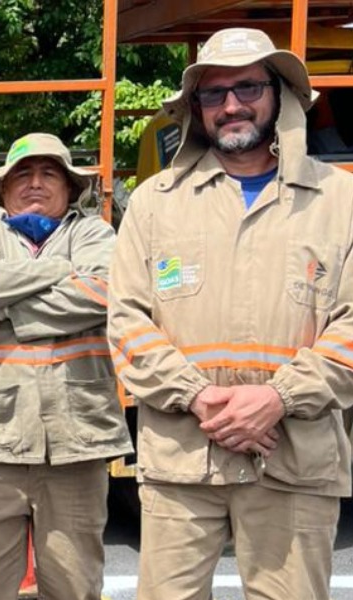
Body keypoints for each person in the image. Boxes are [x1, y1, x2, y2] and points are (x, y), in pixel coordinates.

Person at [108, 27, 353, 598]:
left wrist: (278, 398)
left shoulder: (339, 202)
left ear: (279, 94)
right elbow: (127, 322)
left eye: (247, 88)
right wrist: (197, 396)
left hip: (293, 459)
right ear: (196, 108)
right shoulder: (155, 203)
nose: (232, 105)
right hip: (183, 459)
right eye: (213, 94)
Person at [0, 132, 132, 599]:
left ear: (69, 187)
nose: (35, 183)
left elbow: (105, 291)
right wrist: (60, 271)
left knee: (74, 588)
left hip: (76, 443)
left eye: (49, 173)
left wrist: (6, 308)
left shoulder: (92, 232)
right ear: (3, 188)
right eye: (22, 174)